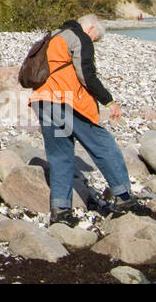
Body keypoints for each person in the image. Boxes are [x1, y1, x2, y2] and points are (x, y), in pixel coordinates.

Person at [27, 13, 149, 225]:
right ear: (91, 29)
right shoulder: (79, 37)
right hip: (65, 103)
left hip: (42, 102)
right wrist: (109, 101)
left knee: (60, 156)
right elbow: (86, 74)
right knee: (103, 146)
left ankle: (60, 212)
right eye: (95, 40)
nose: (93, 43)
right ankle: (124, 198)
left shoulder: (52, 36)